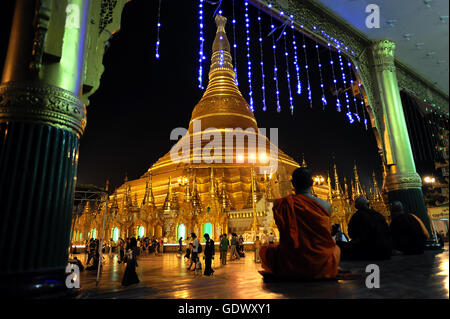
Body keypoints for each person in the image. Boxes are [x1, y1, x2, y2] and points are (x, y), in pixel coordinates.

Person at [259, 167, 340, 279]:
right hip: (321, 262)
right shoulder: (325, 205)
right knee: (336, 249)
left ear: (292, 183)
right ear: (312, 183)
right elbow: (326, 234)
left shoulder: (282, 205)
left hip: (292, 261)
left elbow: (284, 231)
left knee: (266, 251)